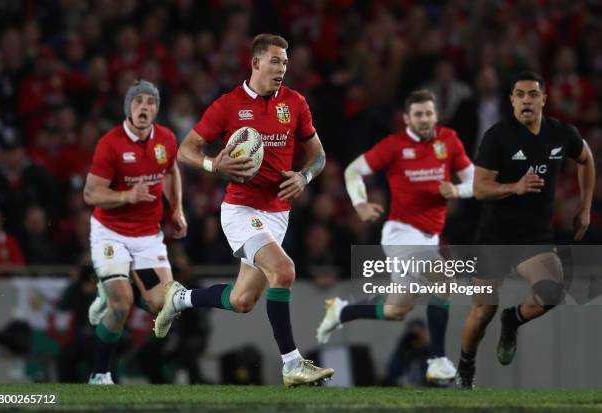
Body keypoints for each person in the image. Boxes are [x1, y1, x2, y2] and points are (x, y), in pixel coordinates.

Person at [154, 34, 334, 387]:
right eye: (275, 61)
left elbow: (320, 156)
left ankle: (179, 298)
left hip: (277, 213)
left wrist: (304, 176)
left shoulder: (295, 103)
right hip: (240, 209)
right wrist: (212, 165)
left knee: (242, 300)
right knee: (283, 271)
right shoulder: (228, 105)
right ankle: (292, 364)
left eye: (285, 61)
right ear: (255, 63)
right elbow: (185, 150)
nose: (282, 68)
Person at [316, 89, 474, 385]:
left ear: (436, 115)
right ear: (407, 119)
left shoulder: (449, 140)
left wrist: (458, 190)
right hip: (400, 232)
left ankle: (342, 311)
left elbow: (473, 180)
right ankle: (438, 361)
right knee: (445, 280)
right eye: (418, 115)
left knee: (396, 310)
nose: (424, 119)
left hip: (428, 238)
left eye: (428, 113)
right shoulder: (394, 145)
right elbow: (352, 171)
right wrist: (360, 203)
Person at [455, 71, 595, 389]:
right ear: (512, 101)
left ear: (544, 99)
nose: (526, 100)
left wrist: (584, 208)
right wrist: (515, 187)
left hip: (534, 238)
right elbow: (480, 188)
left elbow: (586, 159)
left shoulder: (562, 134)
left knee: (551, 292)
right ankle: (466, 369)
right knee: (483, 310)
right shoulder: (498, 136)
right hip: (494, 237)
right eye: (520, 95)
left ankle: (513, 319)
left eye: (533, 94)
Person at [83, 79, 187, 384]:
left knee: (162, 303)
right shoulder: (111, 142)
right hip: (110, 232)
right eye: (139, 101)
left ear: (157, 109)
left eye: (151, 102)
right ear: (128, 106)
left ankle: (115, 282)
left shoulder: (166, 138)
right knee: (121, 305)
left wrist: (177, 209)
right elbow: (90, 194)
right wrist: (126, 196)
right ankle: (99, 374)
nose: (145, 107)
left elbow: (170, 171)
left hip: (146, 236)